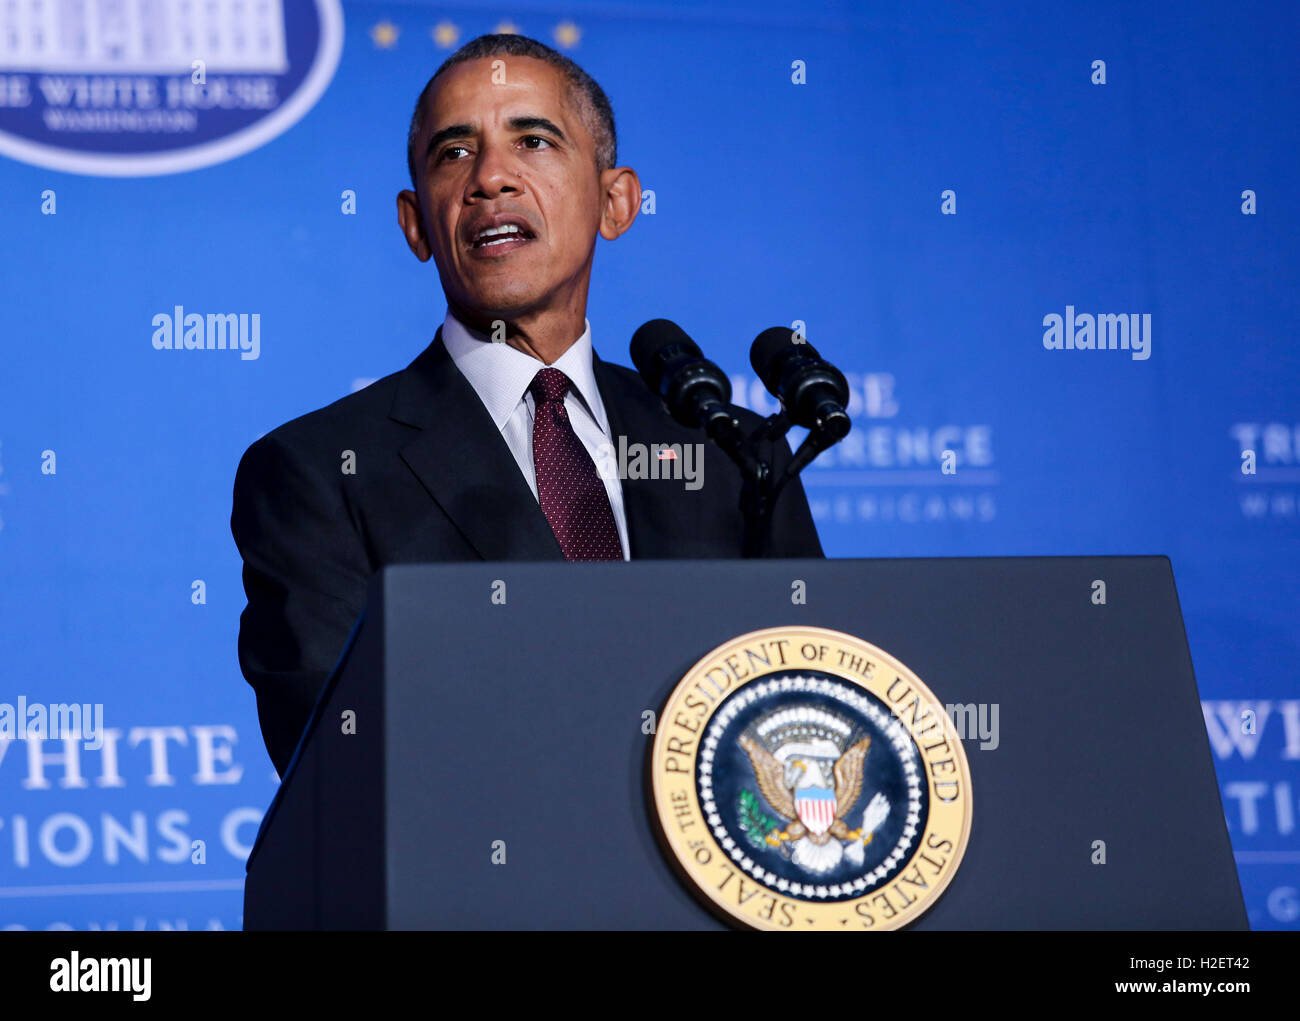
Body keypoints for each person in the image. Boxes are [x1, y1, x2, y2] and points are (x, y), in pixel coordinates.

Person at [231, 34, 823, 777]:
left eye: (533, 141)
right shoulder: (317, 473)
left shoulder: (729, 448)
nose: (490, 180)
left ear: (617, 201)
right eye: (454, 153)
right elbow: (343, 762)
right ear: (416, 225)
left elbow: (809, 709)